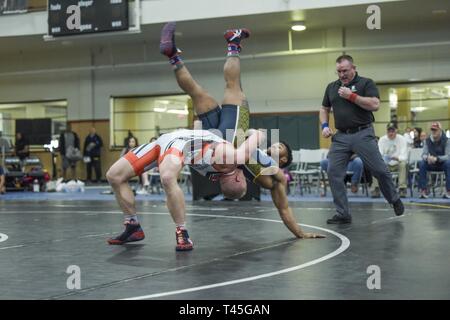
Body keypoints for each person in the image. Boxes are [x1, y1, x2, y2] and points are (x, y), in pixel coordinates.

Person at [160, 22, 325, 239]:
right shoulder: (241, 168)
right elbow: (281, 206)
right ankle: (173, 57)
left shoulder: (272, 175)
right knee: (197, 93)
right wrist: (300, 233)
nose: (275, 148)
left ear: (283, 163)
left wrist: (300, 232)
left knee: (233, 86)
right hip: (212, 140)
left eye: (280, 152)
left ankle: (233, 42)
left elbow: (283, 206)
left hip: (231, 138)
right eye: (278, 146)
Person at [106, 128, 266, 250]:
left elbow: (259, 135)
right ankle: (132, 225)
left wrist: (253, 133)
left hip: (173, 144)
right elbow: (259, 135)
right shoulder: (230, 158)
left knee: (164, 177)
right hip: (177, 141)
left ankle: (181, 231)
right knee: (114, 176)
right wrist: (254, 134)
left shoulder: (229, 164)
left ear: (238, 178)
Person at [320, 54, 404, 224]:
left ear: (353, 68)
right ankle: (343, 213)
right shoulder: (331, 87)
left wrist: (351, 96)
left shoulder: (366, 83)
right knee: (333, 171)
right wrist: (325, 126)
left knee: (380, 170)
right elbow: (324, 108)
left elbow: (375, 104)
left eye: (345, 70)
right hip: (341, 135)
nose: (342, 74)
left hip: (363, 133)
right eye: (339, 71)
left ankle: (394, 199)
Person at [371, 123, 408, 198]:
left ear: (396, 131)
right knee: (375, 165)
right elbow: (379, 154)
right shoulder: (382, 139)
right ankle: (376, 188)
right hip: (385, 163)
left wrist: (397, 158)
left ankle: (402, 188)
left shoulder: (402, 139)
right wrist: (384, 158)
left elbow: (404, 156)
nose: (390, 133)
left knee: (403, 164)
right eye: (389, 131)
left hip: (398, 162)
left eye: (392, 131)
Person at [418, 122, 450, 199]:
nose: (433, 132)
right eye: (432, 130)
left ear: (440, 130)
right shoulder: (427, 140)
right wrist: (427, 158)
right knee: (422, 163)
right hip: (431, 164)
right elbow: (423, 154)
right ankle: (423, 190)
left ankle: (448, 190)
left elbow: (448, 156)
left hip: (442, 164)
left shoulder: (447, 141)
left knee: (448, 163)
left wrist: (437, 158)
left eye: (435, 130)